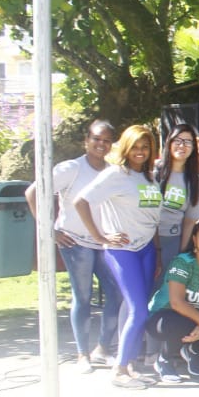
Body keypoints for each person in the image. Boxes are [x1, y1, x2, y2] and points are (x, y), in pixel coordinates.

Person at [27, 120, 121, 371]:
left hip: (104, 244)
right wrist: (49, 230)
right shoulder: (71, 168)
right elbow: (33, 192)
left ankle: (102, 349)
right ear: (86, 140)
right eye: (96, 139)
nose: (101, 144)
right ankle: (82, 355)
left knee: (116, 294)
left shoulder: (113, 171)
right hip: (75, 242)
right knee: (83, 297)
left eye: (106, 140)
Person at [74, 125, 163, 389]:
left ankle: (130, 366)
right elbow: (81, 201)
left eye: (145, 147)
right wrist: (101, 237)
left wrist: (156, 251)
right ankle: (120, 370)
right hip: (123, 251)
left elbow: (152, 219)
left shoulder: (150, 177)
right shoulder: (115, 174)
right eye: (135, 146)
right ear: (125, 147)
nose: (140, 152)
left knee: (142, 309)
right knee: (137, 308)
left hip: (146, 248)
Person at [143, 217, 199, 382]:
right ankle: (164, 359)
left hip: (195, 317)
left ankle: (192, 351)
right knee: (181, 324)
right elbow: (177, 303)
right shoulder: (182, 262)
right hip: (163, 316)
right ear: (194, 239)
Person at [153, 123, 199, 275]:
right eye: (178, 140)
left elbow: (190, 220)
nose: (182, 145)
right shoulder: (154, 171)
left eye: (188, 142)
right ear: (169, 143)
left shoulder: (195, 180)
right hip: (147, 239)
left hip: (173, 240)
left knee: (165, 289)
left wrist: (181, 253)